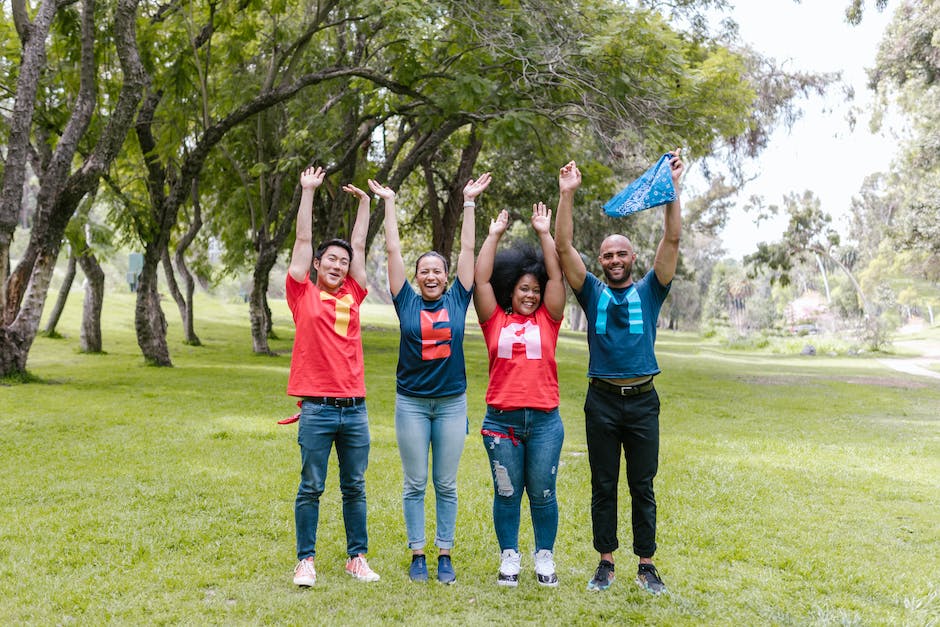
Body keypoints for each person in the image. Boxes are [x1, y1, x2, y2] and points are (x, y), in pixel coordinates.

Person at [553, 150, 685, 595]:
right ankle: (605, 562)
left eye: (620, 253)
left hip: (643, 401)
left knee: (642, 484)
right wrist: (566, 195)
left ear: (633, 258)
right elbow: (563, 247)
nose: (613, 259)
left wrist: (672, 191)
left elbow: (671, 241)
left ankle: (646, 564)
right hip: (603, 401)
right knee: (604, 483)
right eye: (607, 254)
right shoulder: (590, 291)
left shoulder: (650, 290)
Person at [375, 173, 492, 584]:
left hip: (450, 404)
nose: (429, 276)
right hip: (410, 402)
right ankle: (418, 554)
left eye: (435, 271)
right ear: (416, 276)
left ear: (446, 277)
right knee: (414, 482)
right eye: (423, 270)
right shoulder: (404, 299)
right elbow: (392, 248)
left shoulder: (460, 297)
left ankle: (445, 553)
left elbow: (467, 248)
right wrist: (389, 202)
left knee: (445, 483)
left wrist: (470, 202)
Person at [287, 165, 380, 587]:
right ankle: (305, 560)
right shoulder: (302, 292)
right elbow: (303, 240)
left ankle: (355, 558)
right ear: (318, 264)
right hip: (318, 410)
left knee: (355, 487)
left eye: (344, 262)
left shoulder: (354, 294)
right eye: (331, 260)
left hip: (355, 409)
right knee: (311, 486)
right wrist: (308, 191)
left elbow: (358, 244)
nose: (339, 265)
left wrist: (365, 205)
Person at [474, 201, 566, 587]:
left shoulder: (549, 319)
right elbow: (479, 282)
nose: (529, 295)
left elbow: (558, 281)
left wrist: (545, 233)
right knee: (507, 494)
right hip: (501, 422)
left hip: (545, 421)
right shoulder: (494, 320)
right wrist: (493, 235)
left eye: (535, 290)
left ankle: (544, 557)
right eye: (522, 289)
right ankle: (509, 557)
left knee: (543, 494)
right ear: (510, 290)